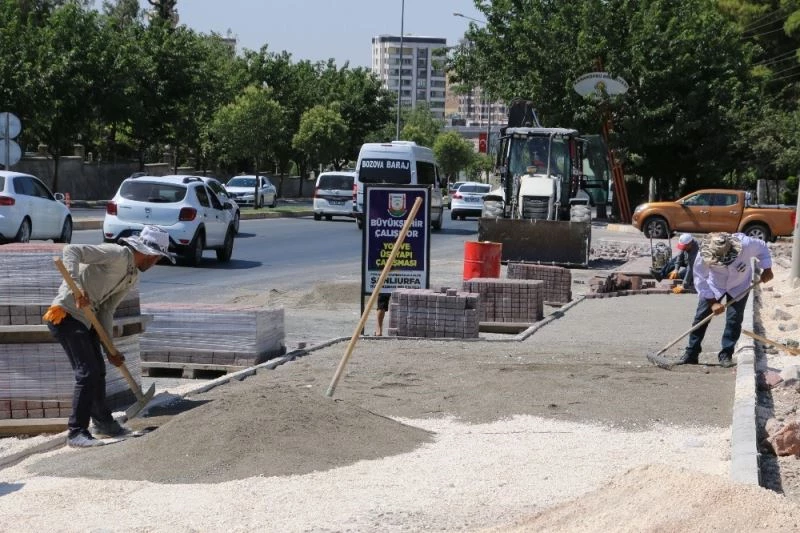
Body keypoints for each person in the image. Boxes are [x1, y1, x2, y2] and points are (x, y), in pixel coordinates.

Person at [43, 225, 175, 448]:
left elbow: (106, 310)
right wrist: (76, 287)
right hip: (65, 315)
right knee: (87, 373)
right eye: (157, 257)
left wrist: (110, 348)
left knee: (99, 371)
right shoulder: (116, 254)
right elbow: (71, 251)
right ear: (148, 253)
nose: (156, 262)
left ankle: (103, 424)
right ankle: (76, 432)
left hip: (86, 319)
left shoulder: (131, 277)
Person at [678, 232, 773, 368]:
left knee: (734, 320)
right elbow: (700, 279)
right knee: (700, 318)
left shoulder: (746, 244)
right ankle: (691, 353)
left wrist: (767, 268)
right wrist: (713, 302)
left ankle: (726, 354)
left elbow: (763, 247)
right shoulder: (703, 255)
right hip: (715, 285)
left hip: (740, 284)